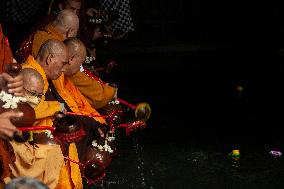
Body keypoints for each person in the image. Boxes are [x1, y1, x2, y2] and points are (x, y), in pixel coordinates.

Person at [21, 39, 82, 189]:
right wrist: (56, 107)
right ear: (49, 59)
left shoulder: (39, 74)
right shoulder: (31, 76)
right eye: (62, 63)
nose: (63, 69)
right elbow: (28, 111)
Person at [9, 68, 64, 189]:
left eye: (40, 96)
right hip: (12, 156)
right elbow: (23, 160)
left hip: (24, 146)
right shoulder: (8, 107)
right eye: (33, 94)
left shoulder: (26, 111)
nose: (36, 100)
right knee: (53, 152)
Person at [64, 37, 116, 110]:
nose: (79, 68)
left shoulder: (63, 72)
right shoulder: (62, 74)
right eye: (80, 64)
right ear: (71, 59)